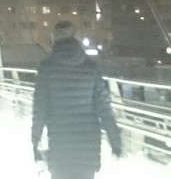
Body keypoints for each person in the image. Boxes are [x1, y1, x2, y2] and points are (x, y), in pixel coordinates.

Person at [31, 21, 121, 179]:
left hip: (60, 146)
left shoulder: (46, 68)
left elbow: (40, 109)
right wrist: (115, 142)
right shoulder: (90, 67)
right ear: (76, 37)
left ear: (54, 38)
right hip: (88, 147)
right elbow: (104, 109)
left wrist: (35, 141)